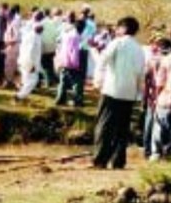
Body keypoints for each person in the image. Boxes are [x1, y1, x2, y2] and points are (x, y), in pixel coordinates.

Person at [92, 16, 146, 170]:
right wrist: (139, 94)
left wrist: (98, 81)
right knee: (122, 128)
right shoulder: (139, 49)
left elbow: (103, 61)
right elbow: (140, 73)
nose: (116, 30)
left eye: (117, 27)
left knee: (104, 125)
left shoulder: (117, 43)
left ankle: (100, 160)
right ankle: (118, 161)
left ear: (123, 28)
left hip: (111, 90)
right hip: (129, 93)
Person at [55, 19, 85, 107]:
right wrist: (76, 65)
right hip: (71, 62)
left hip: (63, 60)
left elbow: (60, 46)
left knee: (63, 82)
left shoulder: (67, 34)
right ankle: (77, 101)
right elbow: (74, 52)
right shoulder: (76, 37)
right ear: (81, 28)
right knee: (77, 83)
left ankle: (59, 99)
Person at [15, 22, 43, 101]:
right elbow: (30, 52)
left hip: (24, 61)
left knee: (26, 80)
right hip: (29, 62)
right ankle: (19, 96)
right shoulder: (33, 38)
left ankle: (21, 94)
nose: (42, 29)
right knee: (33, 80)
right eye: (41, 28)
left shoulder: (32, 35)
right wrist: (31, 65)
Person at [41, 9, 62, 87]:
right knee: (50, 64)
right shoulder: (51, 22)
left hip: (44, 47)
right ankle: (53, 79)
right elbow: (56, 34)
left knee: (45, 65)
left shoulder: (41, 23)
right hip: (52, 47)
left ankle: (48, 81)